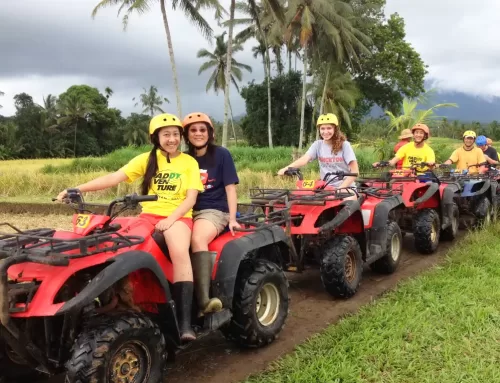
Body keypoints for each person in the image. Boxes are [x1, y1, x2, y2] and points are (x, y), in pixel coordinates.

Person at [56, 113, 204, 342]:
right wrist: (77, 188)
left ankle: (185, 324)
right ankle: (124, 300)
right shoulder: (146, 159)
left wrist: (172, 219)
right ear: (156, 138)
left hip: (179, 216)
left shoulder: (189, 162)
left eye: (176, 134)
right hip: (148, 215)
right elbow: (114, 177)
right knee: (121, 245)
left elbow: (191, 199)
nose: (172, 139)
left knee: (179, 251)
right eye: (166, 135)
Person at [182, 112, 240, 316]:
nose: (198, 134)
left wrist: (232, 218)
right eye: (193, 130)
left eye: (202, 130)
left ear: (210, 133)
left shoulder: (221, 154)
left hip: (214, 209)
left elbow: (230, 188)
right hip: (186, 210)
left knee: (197, 238)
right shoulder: (183, 159)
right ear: (186, 135)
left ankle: (203, 301)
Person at [277, 113, 359, 195]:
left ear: (335, 129)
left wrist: (339, 189)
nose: (325, 132)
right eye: (322, 128)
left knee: (347, 203)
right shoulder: (318, 145)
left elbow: (355, 172)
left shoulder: (345, 145)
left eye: (329, 128)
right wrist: (286, 168)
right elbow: (305, 159)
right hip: (325, 187)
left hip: (346, 187)